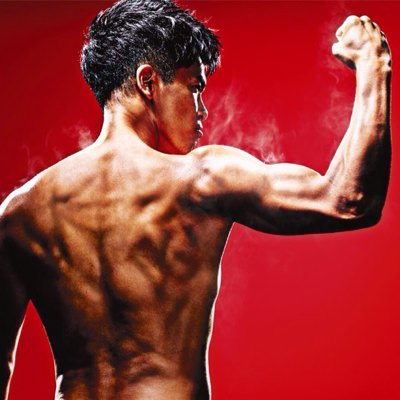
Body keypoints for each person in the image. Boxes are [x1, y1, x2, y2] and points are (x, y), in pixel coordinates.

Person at [0, 0, 391, 398]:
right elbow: (349, 200)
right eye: (194, 87)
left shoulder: (20, 211)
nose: (202, 110)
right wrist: (373, 66)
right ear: (148, 82)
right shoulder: (201, 179)